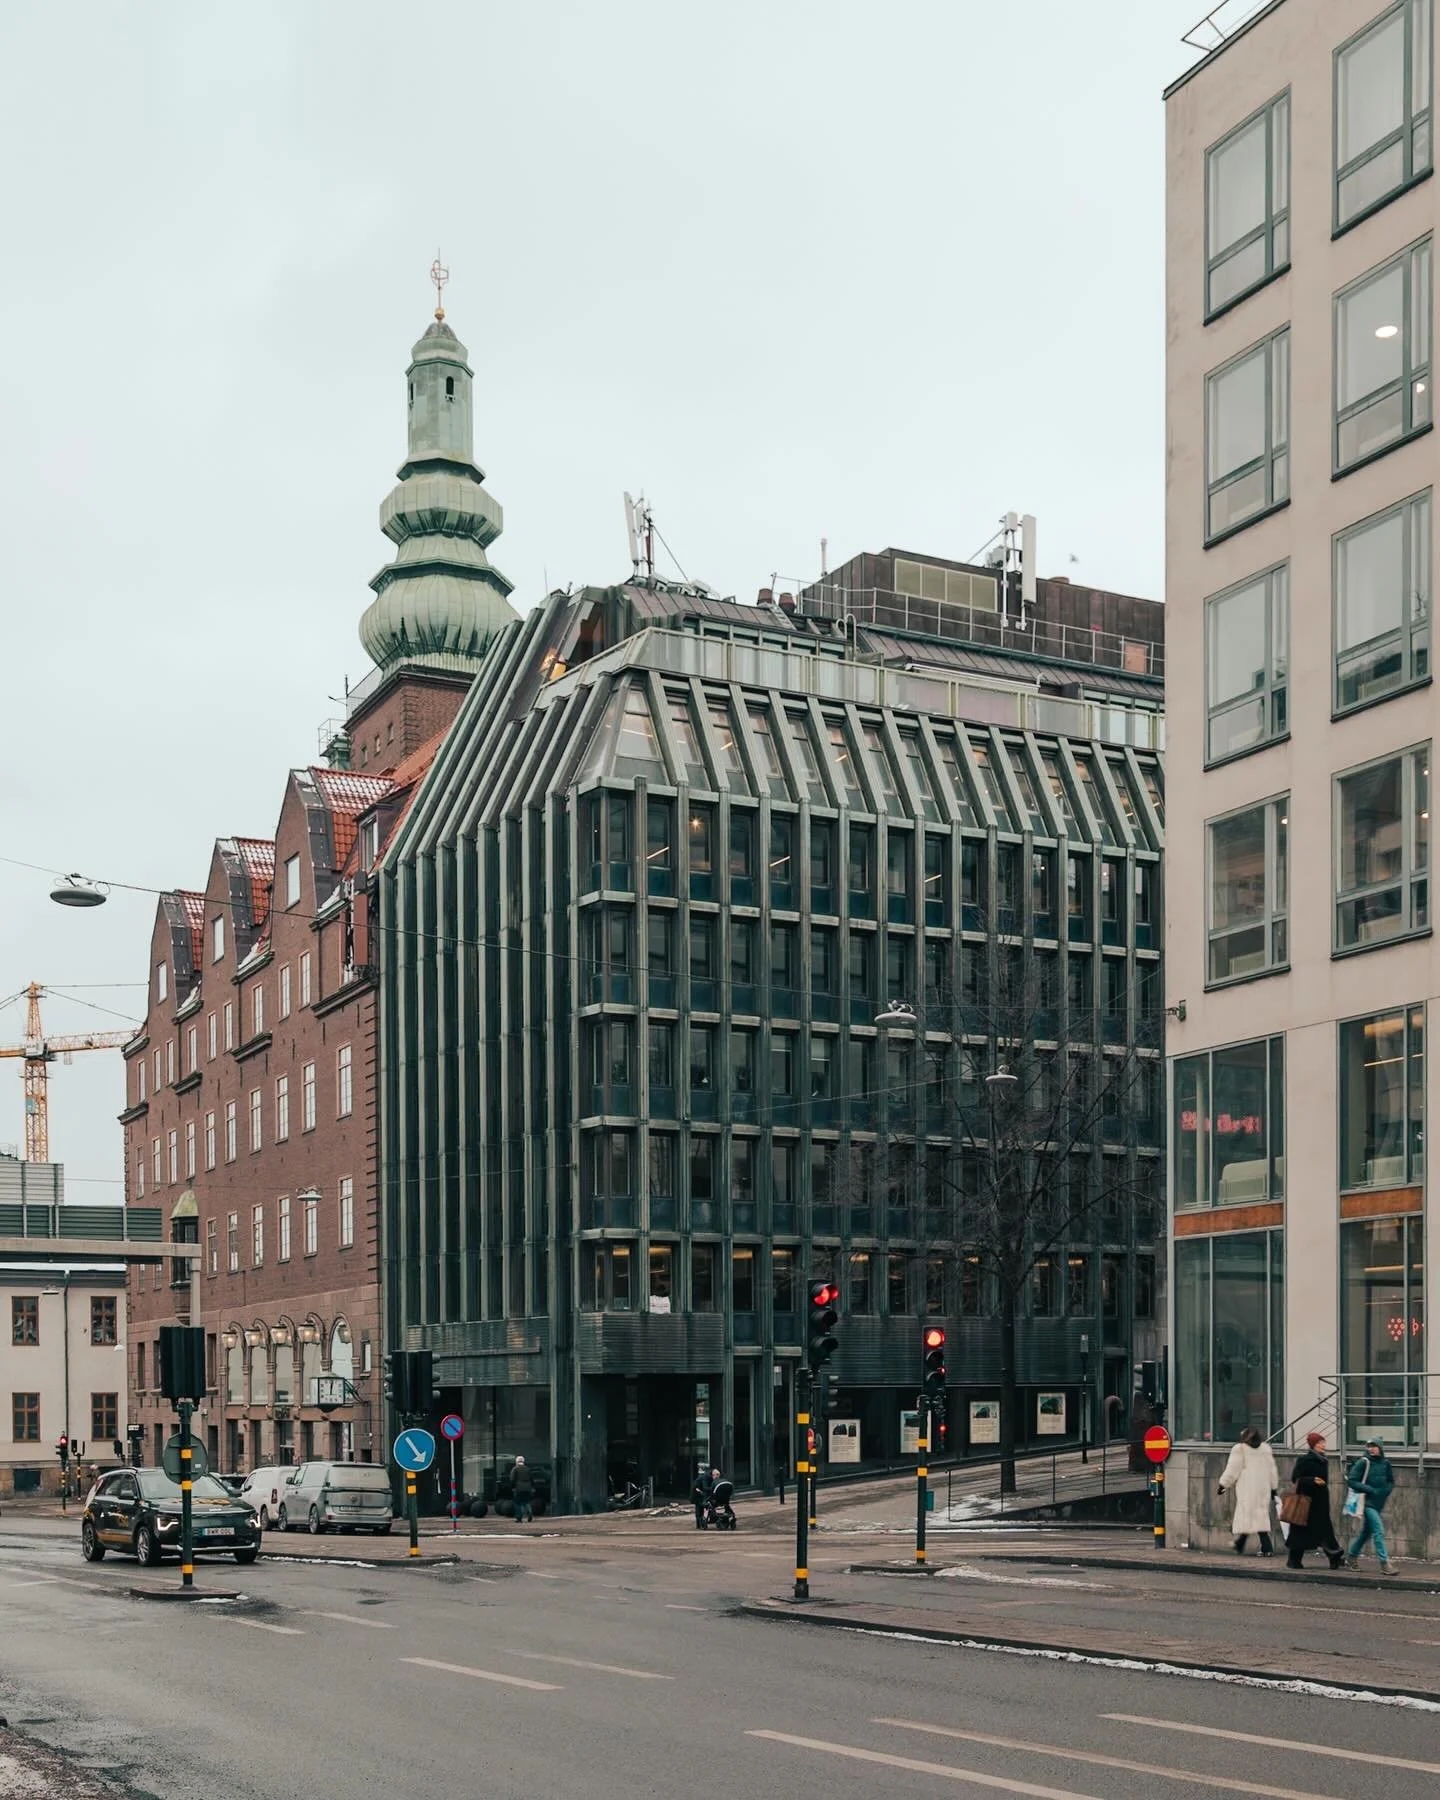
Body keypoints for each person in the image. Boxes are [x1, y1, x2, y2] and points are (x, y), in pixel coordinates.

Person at [1285, 1430, 1344, 1570]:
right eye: (1319, 1443)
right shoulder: (1305, 1460)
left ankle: (1334, 1555)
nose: (1323, 1445)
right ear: (1313, 1445)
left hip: (1320, 1502)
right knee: (1300, 1533)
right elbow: (1296, 1478)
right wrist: (1312, 1480)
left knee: (1324, 1531)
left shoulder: (1324, 1460)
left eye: (1323, 1443)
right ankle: (1294, 1561)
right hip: (1305, 1502)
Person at [1217, 1426, 1279, 1555]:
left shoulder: (1240, 1449)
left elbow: (1232, 1470)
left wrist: (1223, 1485)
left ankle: (1258, 1546)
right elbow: (1272, 1470)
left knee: (1247, 1515)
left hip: (1247, 1488)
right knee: (1259, 1516)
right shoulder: (1265, 1449)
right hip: (1263, 1488)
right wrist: (1273, 1488)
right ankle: (1244, 1544)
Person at [1344, 1438, 1396, 1574]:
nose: (1371, 1449)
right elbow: (1352, 1481)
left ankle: (1351, 1557)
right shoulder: (1363, 1462)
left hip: (1379, 1503)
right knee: (1378, 1531)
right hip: (1367, 1502)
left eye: (1374, 1446)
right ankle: (1385, 1564)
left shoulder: (1385, 1463)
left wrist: (1386, 1490)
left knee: (1366, 1533)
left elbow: (1391, 1480)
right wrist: (1370, 1490)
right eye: (1369, 1446)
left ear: (1380, 1448)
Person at [510, 1455, 533, 1524]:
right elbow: (532, 1479)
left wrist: (513, 1487)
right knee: (527, 1502)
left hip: (519, 1488)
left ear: (516, 1462)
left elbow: (512, 1479)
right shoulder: (528, 1469)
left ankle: (519, 1518)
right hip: (528, 1488)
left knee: (518, 1503)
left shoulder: (515, 1469)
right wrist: (532, 1487)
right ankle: (529, 1512)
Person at [692, 1463, 714, 1529]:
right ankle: (700, 1524)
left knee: (700, 1508)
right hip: (697, 1494)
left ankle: (699, 1524)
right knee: (699, 1508)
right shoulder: (706, 1477)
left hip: (700, 1494)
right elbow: (704, 1487)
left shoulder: (707, 1477)